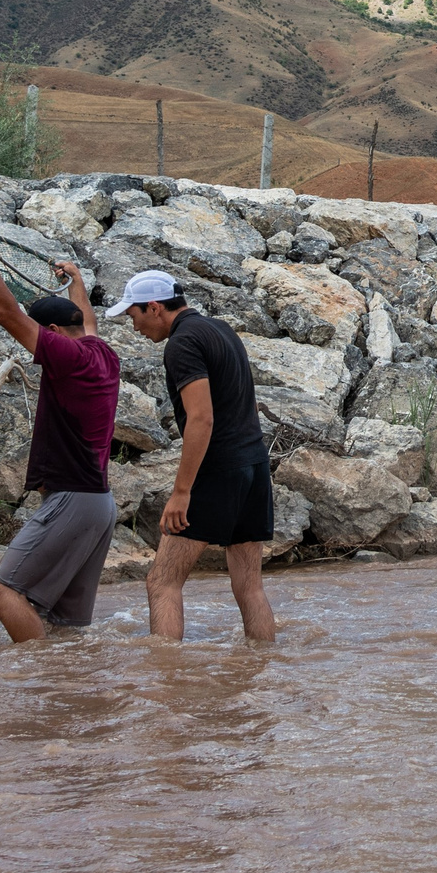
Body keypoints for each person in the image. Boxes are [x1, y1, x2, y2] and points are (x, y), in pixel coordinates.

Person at [0, 226, 120, 643]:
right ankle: (60, 696)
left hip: (73, 500)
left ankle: (37, 676)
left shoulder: (68, 355)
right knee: (63, 626)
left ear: (51, 330)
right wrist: (77, 282)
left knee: (2, 592)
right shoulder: (103, 353)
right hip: (98, 504)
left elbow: (7, 314)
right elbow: (89, 320)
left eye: (41, 332)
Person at [110, 269, 276, 645]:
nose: (134, 326)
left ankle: (168, 687)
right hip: (254, 467)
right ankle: (264, 667)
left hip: (217, 471)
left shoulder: (181, 344)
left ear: (154, 308)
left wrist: (182, 491)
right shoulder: (221, 330)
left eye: (133, 316)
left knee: (162, 581)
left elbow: (201, 418)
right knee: (249, 586)